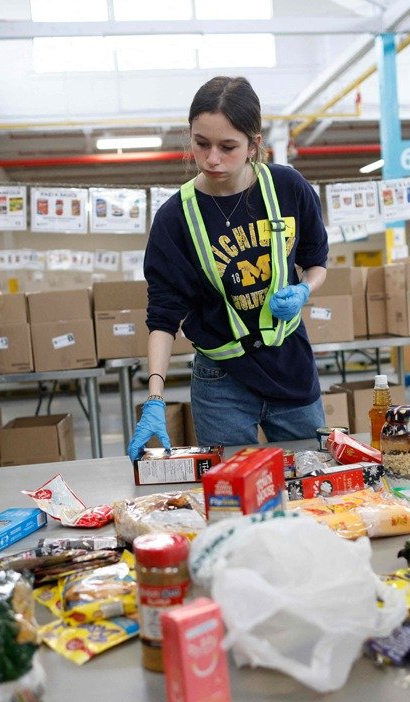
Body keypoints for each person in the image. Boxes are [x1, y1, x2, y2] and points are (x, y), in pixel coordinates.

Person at [127, 76, 329, 460]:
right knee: (231, 495)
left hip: (289, 363)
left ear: (254, 143)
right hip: (221, 382)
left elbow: (316, 261)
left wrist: (305, 289)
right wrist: (155, 396)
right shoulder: (175, 217)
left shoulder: (288, 188)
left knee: (312, 479)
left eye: (228, 147)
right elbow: (163, 316)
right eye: (201, 144)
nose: (212, 159)